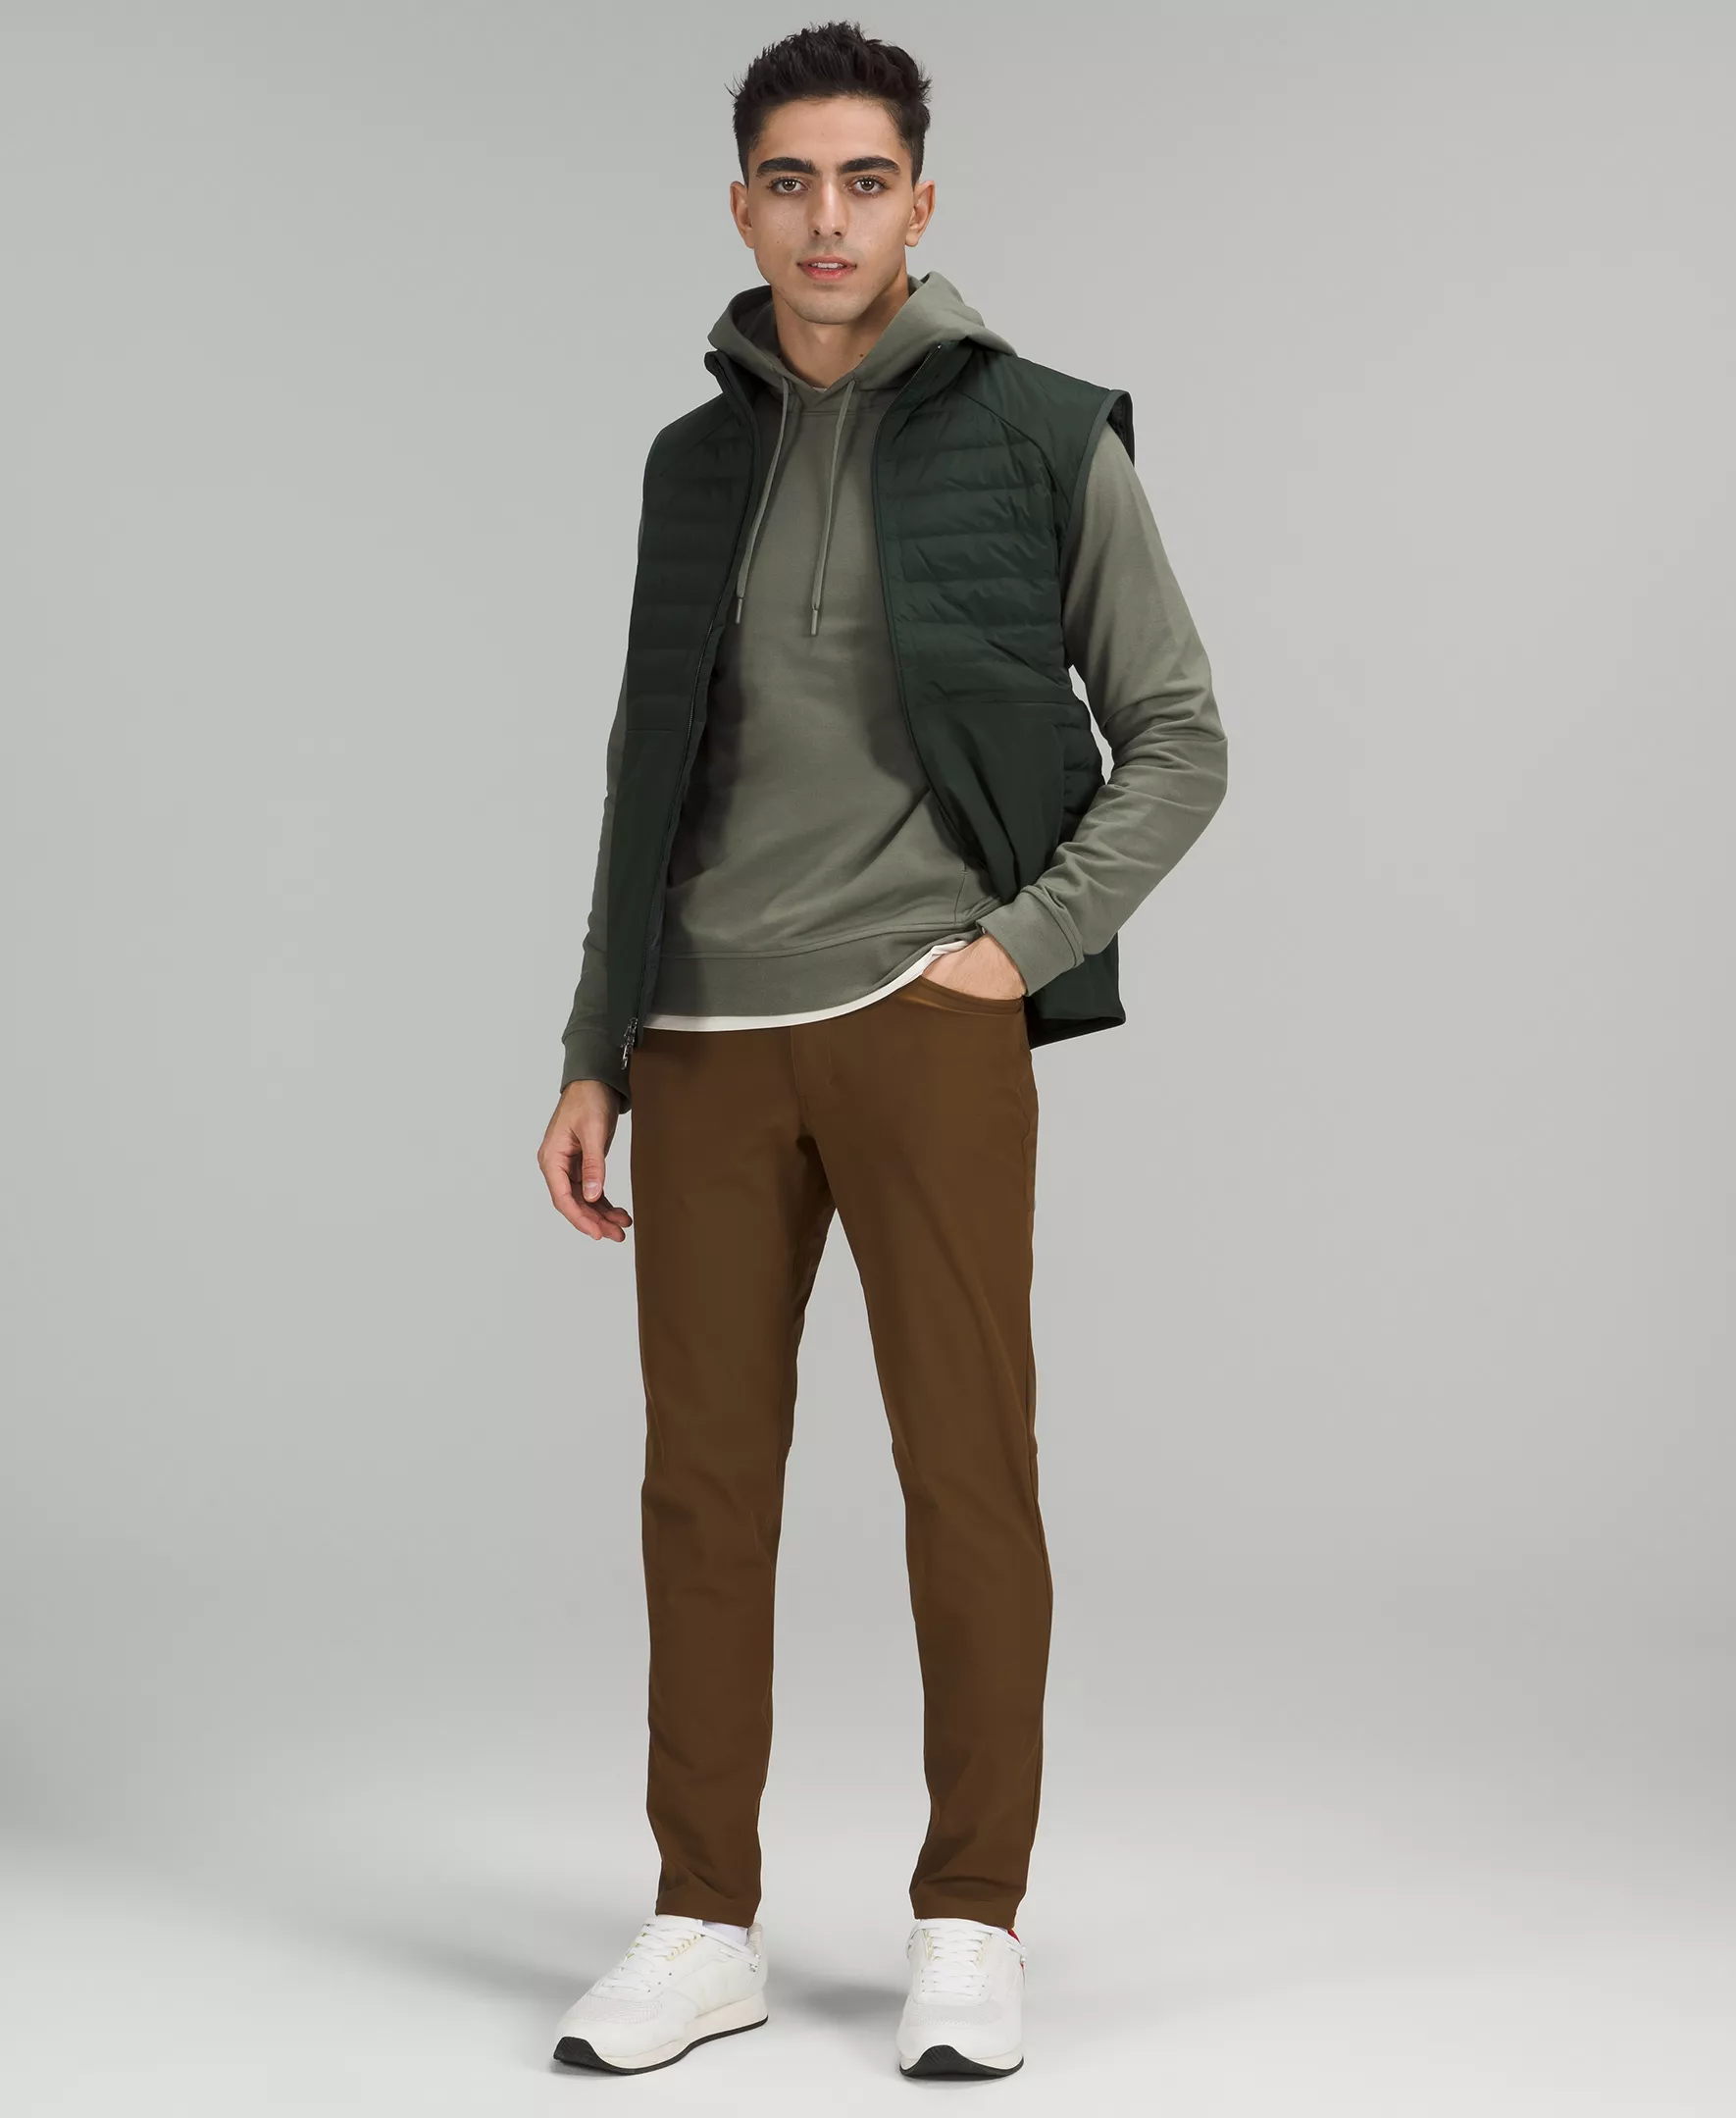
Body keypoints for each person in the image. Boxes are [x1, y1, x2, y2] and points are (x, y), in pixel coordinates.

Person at [536, 19, 1227, 2080]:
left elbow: (1179, 733)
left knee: (966, 1475)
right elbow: (646, 767)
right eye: (789, 181)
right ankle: (702, 1919)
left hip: (923, 1024)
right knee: (701, 1491)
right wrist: (593, 1043)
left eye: (862, 181)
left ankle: (970, 1919)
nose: (825, 218)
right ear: (742, 206)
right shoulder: (690, 463)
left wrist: (1017, 951)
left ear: (921, 201)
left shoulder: (1039, 433)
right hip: (703, 1032)